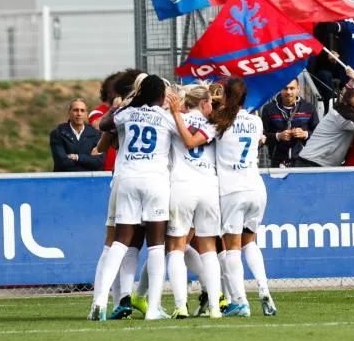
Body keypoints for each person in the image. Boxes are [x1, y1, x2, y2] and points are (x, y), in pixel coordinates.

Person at [91, 75, 176, 321]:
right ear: (161, 96)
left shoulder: (127, 114)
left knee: (121, 241)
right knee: (157, 244)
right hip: (155, 181)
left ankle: (99, 301)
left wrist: (124, 105)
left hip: (127, 178)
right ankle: (153, 308)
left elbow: (105, 124)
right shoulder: (166, 118)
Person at [197, 78, 273, 317]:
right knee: (250, 242)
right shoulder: (256, 121)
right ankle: (264, 289)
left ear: (226, 96)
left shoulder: (219, 121)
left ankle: (240, 301)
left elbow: (202, 131)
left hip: (232, 190)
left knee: (232, 249)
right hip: (256, 188)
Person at [163, 83, 224, 319]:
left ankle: (180, 306)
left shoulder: (172, 120)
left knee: (176, 249)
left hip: (182, 187)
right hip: (209, 188)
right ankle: (216, 308)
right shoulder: (214, 124)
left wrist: (174, 111)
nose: (212, 106)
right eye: (210, 101)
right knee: (209, 250)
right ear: (203, 103)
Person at [260, 79, 319, 167]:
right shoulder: (268, 109)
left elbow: (319, 135)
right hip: (277, 160)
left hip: (303, 161)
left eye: (292, 88)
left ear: (298, 89)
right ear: (280, 89)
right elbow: (262, 136)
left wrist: (305, 134)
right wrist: (278, 136)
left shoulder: (309, 108)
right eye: (285, 88)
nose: (288, 92)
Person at [50, 98, 104, 172]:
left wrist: (77, 157)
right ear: (69, 113)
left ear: (86, 114)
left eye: (82, 110)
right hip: (64, 180)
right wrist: (88, 160)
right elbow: (62, 162)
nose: (79, 114)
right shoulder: (58, 133)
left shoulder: (96, 134)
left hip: (89, 181)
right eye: (76, 110)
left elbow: (98, 162)